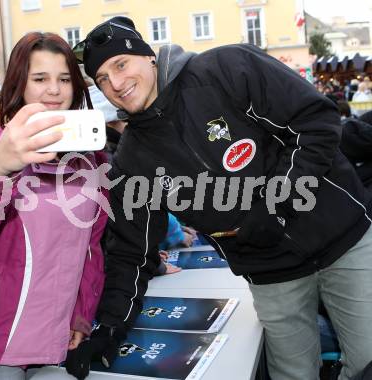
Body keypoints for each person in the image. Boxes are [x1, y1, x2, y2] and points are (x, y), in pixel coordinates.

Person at [64, 16, 372, 380]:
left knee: (367, 360)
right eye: (101, 79)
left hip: (345, 243)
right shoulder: (132, 160)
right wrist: (110, 328)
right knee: (293, 374)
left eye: (120, 64)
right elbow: (131, 250)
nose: (115, 83)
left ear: (147, 56)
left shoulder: (226, 69)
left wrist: (277, 203)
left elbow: (316, 120)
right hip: (271, 273)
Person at [0, 33, 107, 379]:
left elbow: (91, 248)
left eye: (64, 79)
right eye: (40, 79)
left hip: (55, 338)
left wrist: (81, 312)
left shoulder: (89, 162)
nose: (54, 90)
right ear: (20, 84)